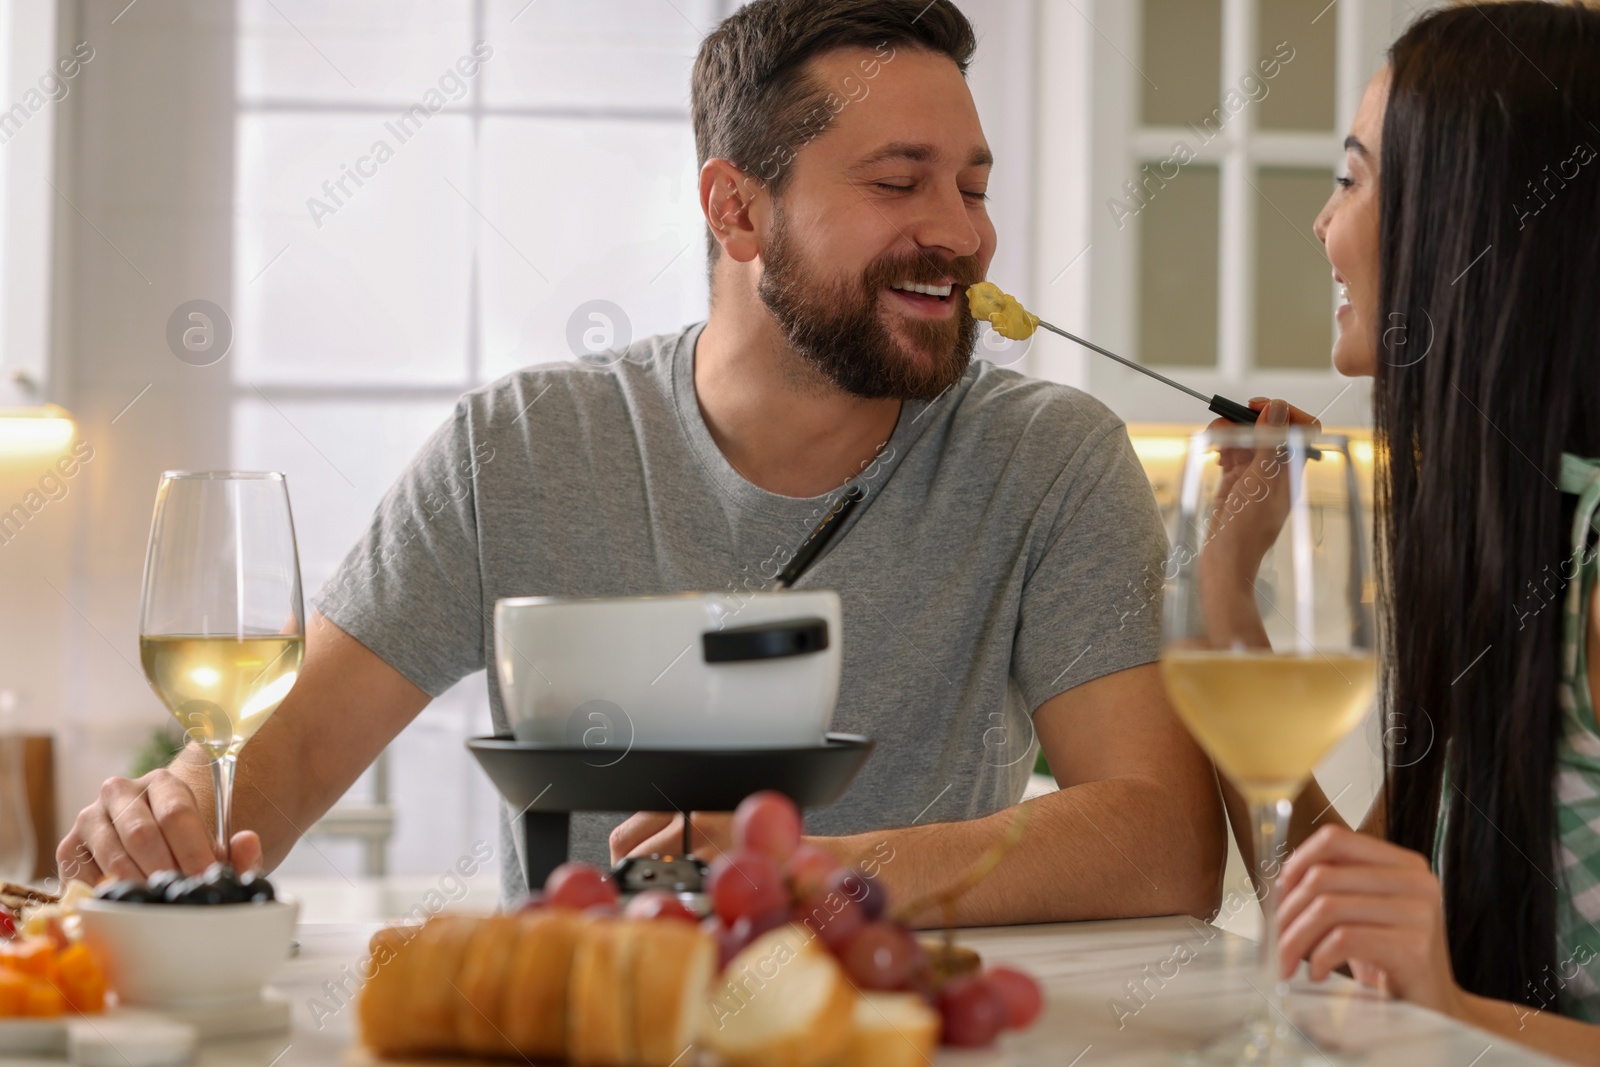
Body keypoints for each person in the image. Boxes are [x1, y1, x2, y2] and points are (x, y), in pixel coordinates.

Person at [58, 0, 1225, 927]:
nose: (963, 233)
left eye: (971, 186)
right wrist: (168, 826)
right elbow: (291, 753)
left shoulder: (1049, 459)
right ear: (737, 212)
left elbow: (1163, 842)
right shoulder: (513, 452)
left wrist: (813, 874)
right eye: (897, 181)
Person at [1209, 3, 1600, 1060]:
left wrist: (1449, 1004)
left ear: (1468, 218)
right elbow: (1340, 917)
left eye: (1350, 178)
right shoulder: (1510, 550)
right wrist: (1224, 595)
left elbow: (1412, 980)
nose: (1321, 224)